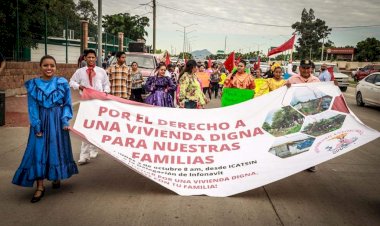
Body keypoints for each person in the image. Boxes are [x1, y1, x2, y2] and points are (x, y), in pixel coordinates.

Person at [12, 55, 78, 203]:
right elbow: (32, 107)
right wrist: (37, 125)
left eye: (52, 66)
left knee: (57, 149)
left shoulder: (62, 83)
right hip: (41, 121)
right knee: (38, 151)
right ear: (40, 67)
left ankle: (56, 176)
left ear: (56, 67)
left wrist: (65, 120)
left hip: (57, 121)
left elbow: (67, 103)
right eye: (46, 65)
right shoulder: (34, 84)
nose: (49, 68)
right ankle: (40, 186)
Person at [70, 49, 110, 165]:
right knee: (85, 127)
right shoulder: (80, 72)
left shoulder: (101, 71)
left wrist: (106, 92)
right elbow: (71, 82)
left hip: (98, 103)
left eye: (93, 57)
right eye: (89, 57)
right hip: (86, 103)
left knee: (96, 127)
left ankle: (94, 149)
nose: (91, 59)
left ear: (96, 59)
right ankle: (84, 155)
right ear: (85, 58)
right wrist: (79, 87)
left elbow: (107, 84)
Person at [287, 59, 320, 172]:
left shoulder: (316, 80)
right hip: (296, 114)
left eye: (308, 68)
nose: (306, 70)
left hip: (312, 114)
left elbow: (321, 94)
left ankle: (310, 163)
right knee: (296, 136)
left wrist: (333, 86)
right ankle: (295, 162)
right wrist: (285, 87)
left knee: (311, 136)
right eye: (304, 68)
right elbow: (282, 94)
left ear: (311, 68)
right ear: (300, 68)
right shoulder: (292, 80)